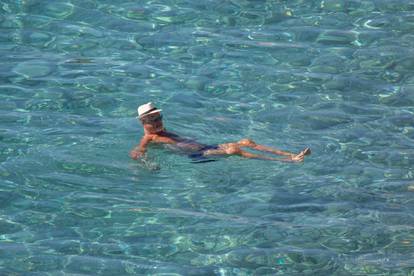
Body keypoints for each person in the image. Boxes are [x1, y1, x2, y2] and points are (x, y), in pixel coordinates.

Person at [130, 102, 311, 163]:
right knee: (234, 149)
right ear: (143, 123)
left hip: (207, 146)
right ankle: (287, 162)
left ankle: (291, 154)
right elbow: (138, 152)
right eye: (154, 120)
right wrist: (148, 162)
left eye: (160, 117)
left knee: (246, 141)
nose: (159, 122)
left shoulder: (162, 130)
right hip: (199, 154)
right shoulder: (149, 137)